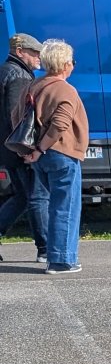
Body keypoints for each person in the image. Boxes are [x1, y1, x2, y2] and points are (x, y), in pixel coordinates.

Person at [21, 39, 87, 273]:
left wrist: (35, 151)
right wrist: (41, 149)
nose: (73, 65)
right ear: (64, 63)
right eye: (72, 61)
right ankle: (61, 260)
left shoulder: (35, 86)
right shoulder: (65, 89)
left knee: (53, 205)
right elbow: (60, 123)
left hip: (41, 156)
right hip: (61, 152)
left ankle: (54, 255)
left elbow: (18, 117)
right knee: (66, 207)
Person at [0, 32, 48, 262]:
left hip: (8, 149)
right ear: (20, 52)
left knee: (21, 197)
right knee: (38, 197)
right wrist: (28, 150)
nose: (39, 57)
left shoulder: (6, 70)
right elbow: (17, 117)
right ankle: (46, 248)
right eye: (34, 52)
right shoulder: (19, 76)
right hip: (19, 149)